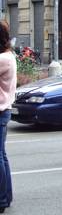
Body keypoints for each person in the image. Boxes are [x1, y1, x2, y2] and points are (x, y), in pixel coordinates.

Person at [0, 21, 15, 213]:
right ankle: (6, 196)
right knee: (2, 156)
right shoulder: (8, 55)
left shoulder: (3, 58)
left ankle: (2, 199)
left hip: (1, 110)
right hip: (4, 110)